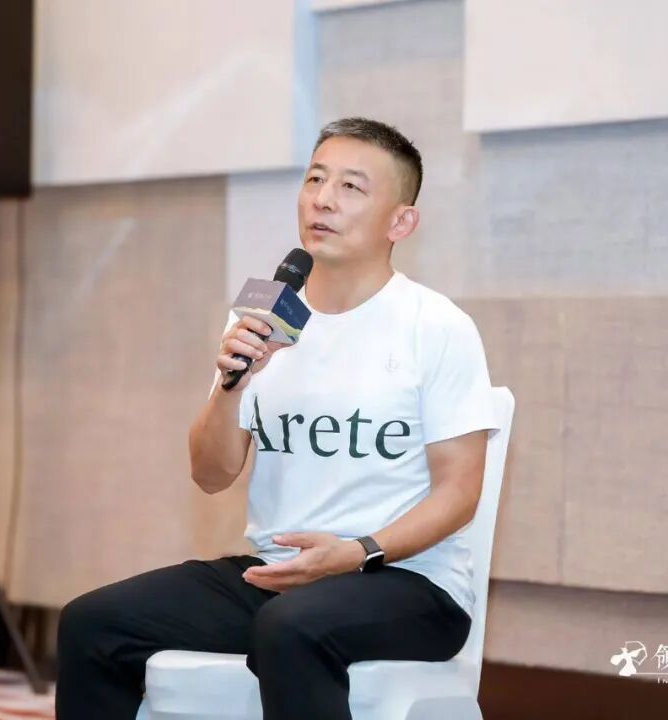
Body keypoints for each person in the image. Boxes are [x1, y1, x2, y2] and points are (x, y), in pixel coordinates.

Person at [55, 117, 500, 720]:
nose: (323, 199)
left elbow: (459, 493)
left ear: (400, 222)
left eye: (350, 186)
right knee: (92, 624)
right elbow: (210, 474)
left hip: (406, 580)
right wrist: (232, 388)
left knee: (291, 628)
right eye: (315, 179)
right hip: (280, 574)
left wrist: (359, 552)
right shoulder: (265, 316)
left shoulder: (437, 326)